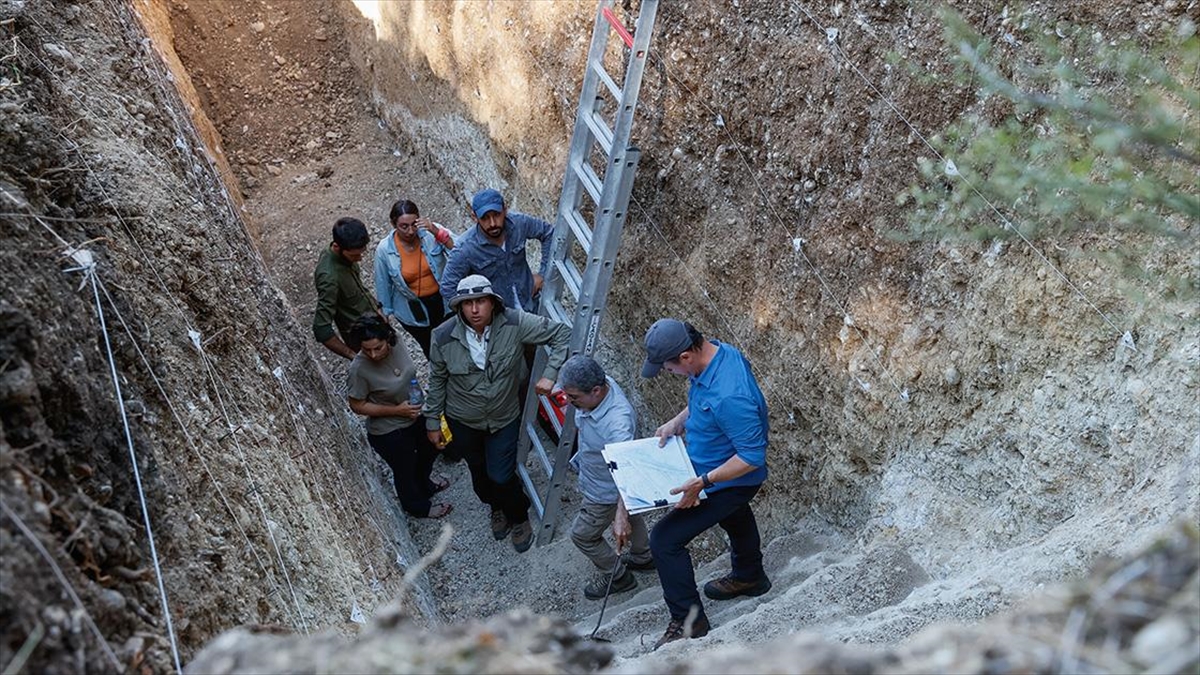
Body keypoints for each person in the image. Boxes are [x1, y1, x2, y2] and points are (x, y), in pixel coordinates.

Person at [640, 318, 771, 650]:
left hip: (731, 479)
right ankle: (749, 576)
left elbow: (751, 456)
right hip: (712, 471)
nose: (668, 372)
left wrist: (703, 482)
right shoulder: (718, 352)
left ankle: (689, 620)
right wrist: (678, 421)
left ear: (685, 356)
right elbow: (703, 397)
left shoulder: (731, 396)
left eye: (668, 367)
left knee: (664, 539)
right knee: (734, 517)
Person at [423, 274, 571, 553]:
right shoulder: (442, 337)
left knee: (502, 475)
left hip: (504, 416)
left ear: (493, 303)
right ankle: (495, 508)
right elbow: (437, 380)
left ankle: (518, 516)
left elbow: (562, 333)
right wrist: (432, 421)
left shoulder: (515, 322)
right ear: (459, 308)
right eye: (468, 303)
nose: (475, 309)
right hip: (464, 419)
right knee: (479, 473)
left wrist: (550, 375)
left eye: (481, 301)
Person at [558, 355, 655, 600]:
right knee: (633, 515)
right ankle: (643, 556)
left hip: (605, 490)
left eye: (574, 398)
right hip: (600, 476)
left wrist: (619, 513)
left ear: (596, 390)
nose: (568, 402)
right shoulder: (600, 389)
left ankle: (618, 576)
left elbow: (626, 471)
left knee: (582, 536)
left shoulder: (617, 425)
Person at [346, 314, 452, 519]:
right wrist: (396, 410)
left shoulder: (399, 343)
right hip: (388, 430)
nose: (373, 355)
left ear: (388, 339)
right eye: (367, 350)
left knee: (429, 450)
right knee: (405, 469)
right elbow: (356, 405)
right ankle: (417, 506)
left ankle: (426, 484)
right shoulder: (359, 369)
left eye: (378, 348)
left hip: (414, 415)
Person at [438, 188, 554, 314]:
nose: (492, 223)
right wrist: (475, 314)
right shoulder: (465, 248)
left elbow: (548, 233)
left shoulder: (519, 224)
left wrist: (543, 274)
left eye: (496, 215)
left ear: (505, 210)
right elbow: (448, 288)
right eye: (485, 218)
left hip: (533, 305)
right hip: (501, 319)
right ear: (474, 217)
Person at [374, 199, 457, 358]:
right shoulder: (384, 250)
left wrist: (436, 231)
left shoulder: (432, 233)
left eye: (414, 224)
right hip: (413, 309)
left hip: (444, 301)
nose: (411, 231)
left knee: (453, 342)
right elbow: (383, 283)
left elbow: (460, 251)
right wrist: (385, 314)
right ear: (393, 224)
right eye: (404, 226)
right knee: (430, 348)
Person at [313, 217, 379, 359]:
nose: (360, 259)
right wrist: (353, 356)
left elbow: (357, 288)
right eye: (355, 255)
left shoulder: (342, 251)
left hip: (378, 327)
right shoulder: (329, 278)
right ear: (337, 247)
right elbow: (321, 329)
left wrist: (377, 308)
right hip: (366, 345)